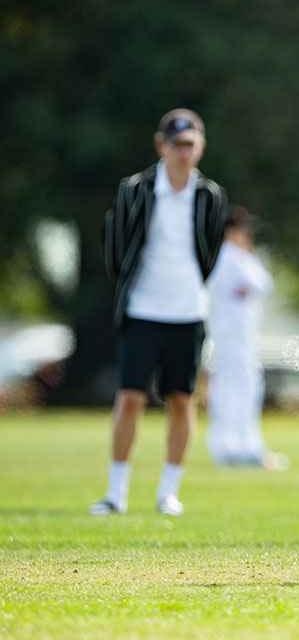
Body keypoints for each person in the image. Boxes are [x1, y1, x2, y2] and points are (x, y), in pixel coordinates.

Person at [92, 108, 227, 516]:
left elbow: (210, 253)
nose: (183, 153)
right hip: (142, 310)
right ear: (160, 146)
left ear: (200, 147)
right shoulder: (134, 190)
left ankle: (168, 491)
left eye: (190, 145)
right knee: (130, 396)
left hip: (188, 312)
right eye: (176, 145)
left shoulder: (210, 196)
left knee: (182, 399)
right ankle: (116, 493)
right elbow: (116, 249)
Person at [205, 206, 287, 470]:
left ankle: (228, 446)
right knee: (243, 386)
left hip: (236, 332)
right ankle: (244, 447)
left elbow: (261, 284)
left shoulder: (230, 256)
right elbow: (261, 283)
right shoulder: (231, 256)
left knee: (231, 385)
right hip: (233, 332)